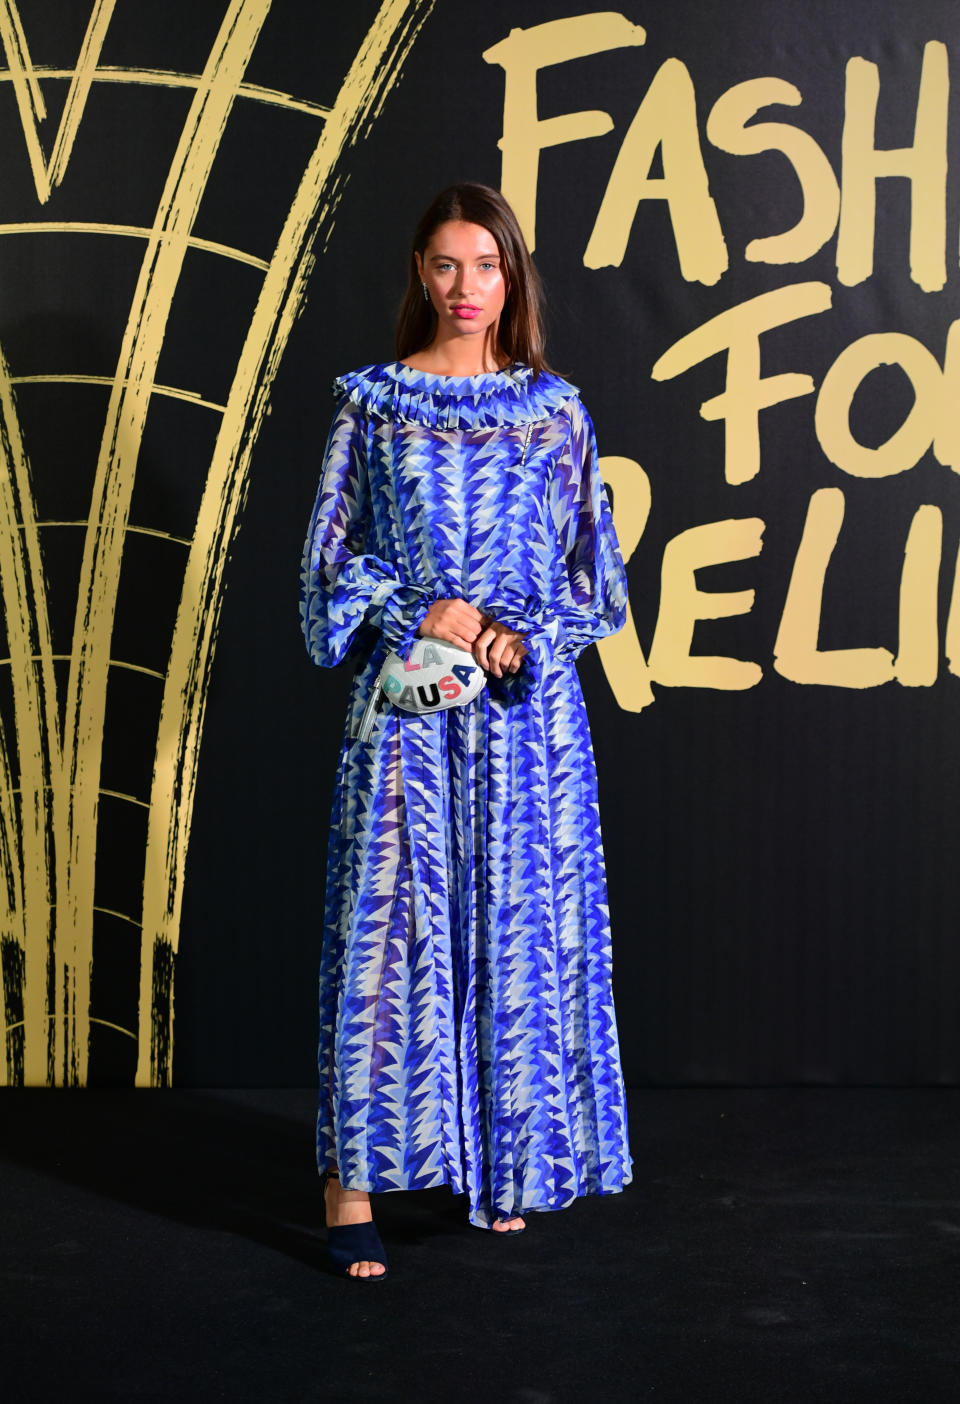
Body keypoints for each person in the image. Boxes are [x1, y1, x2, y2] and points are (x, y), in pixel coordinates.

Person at [299, 182, 632, 1281]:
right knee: (388, 944)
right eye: (445, 266)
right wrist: (416, 609)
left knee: (513, 939)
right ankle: (350, 1191)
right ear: (417, 274)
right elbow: (323, 580)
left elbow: (603, 584)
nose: (465, 290)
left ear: (512, 278)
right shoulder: (372, 405)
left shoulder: (555, 412)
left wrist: (522, 635)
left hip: (523, 730)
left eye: (485, 266)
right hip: (403, 723)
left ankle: (497, 1168)